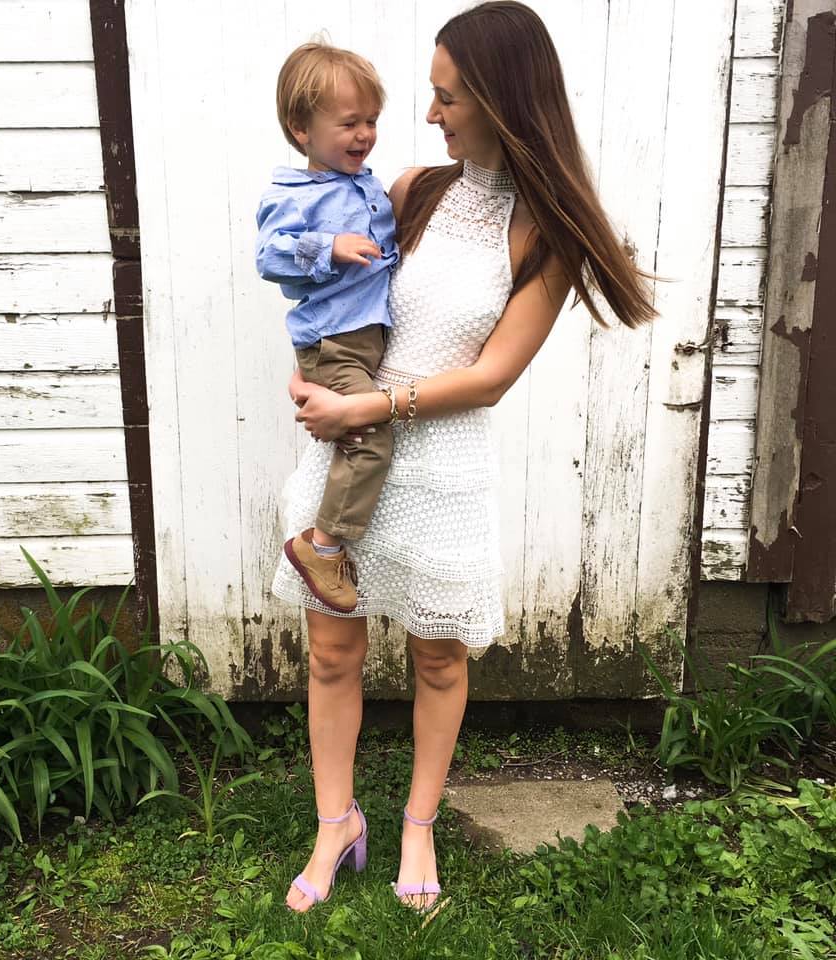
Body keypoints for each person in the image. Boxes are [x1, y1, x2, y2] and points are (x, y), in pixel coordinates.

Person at [272, 0, 657, 915]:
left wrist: (365, 403)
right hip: (351, 450)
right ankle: (336, 822)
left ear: (497, 98)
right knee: (332, 649)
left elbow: (490, 377)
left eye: (447, 96)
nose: (431, 113)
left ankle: (415, 821)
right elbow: (337, 294)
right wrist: (310, 374)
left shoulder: (543, 235)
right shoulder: (415, 189)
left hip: (439, 469)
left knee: (438, 660)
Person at [256, 42, 400, 614]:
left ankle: (334, 539)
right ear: (301, 129)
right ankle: (323, 546)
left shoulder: (367, 185)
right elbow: (270, 256)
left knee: (357, 435)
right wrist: (329, 247)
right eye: (348, 123)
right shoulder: (292, 195)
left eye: (371, 121)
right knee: (370, 439)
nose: (363, 134)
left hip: (368, 341)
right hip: (333, 342)